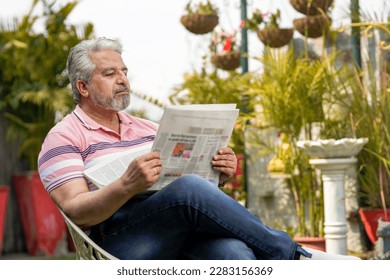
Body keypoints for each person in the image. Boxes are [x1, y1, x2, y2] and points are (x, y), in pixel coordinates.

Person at [38, 37, 359, 260]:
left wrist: (219, 171)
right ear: (82, 87)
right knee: (188, 188)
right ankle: (291, 255)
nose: (122, 79)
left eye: (124, 71)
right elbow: (76, 211)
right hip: (117, 244)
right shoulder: (64, 137)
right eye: (110, 74)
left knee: (236, 255)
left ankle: (281, 256)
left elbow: (193, 190)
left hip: (178, 231)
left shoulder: (149, 128)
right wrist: (125, 186)